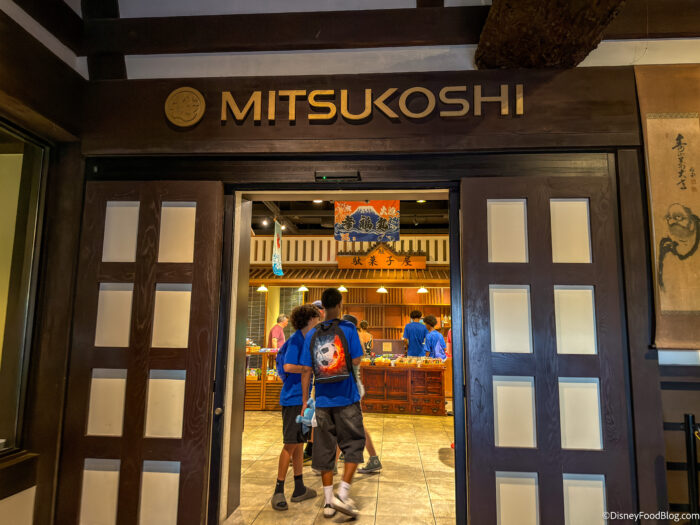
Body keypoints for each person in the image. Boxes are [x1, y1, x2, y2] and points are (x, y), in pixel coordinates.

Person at [295, 288, 365, 518]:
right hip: (347, 397)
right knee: (354, 444)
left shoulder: (313, 334)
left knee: (325, 449)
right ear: (340, 305)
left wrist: (305, 400)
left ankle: (328, 503)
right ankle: (342, 494)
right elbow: (357, 358)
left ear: (322, 308)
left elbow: (306, 370)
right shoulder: (348, 328)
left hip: (323, 400)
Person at [271, 305, 321, 511]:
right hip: (292, 399)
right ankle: (278, 490)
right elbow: (288, 366)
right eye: (317, 319)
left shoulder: (305, 339)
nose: (319, 322)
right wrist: (309, 368)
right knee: (290, 444)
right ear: (309, 320)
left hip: (301, 399)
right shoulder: (296, 340)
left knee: (299, 443)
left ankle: (299, 487)